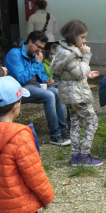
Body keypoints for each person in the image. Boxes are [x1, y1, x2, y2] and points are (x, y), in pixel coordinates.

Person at [4, 30, 70, 146]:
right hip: (20, 88)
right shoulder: (14, 54)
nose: (39, 50)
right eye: (38, 47)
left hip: (36, 86)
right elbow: (22, 78)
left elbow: (41, 74)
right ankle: (55, 135)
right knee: (49, 95)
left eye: (42, 48)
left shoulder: (34, 53)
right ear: (30, 42)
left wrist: (46, 80)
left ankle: (63, 131)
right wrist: (37, 63)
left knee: (57, 92)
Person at [50, 19, 102, 166]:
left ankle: (75, 157)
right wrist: (86, 56)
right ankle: (84, 156)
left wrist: (88, 74)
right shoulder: (71, 54)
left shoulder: (63, 50)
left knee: (76, 123)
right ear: (73, 36)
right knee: (92, 121)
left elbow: (74, 73)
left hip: (71, 93)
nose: (85, 40)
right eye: (82, 37)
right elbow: (79, 73)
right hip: (78, 94)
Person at [0, 76, 54, 213]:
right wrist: (46, 197)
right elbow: (34, 175)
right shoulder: (20, 137)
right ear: (16, 106)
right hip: (19, 206)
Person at [43, 44, 71, 129]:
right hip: (52, 86)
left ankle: (70, 123)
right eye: (51, 54)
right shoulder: (45, 64)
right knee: (60, 102)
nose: (52, 56)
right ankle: (59, 125)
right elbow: (43, 77)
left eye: (55, 54)